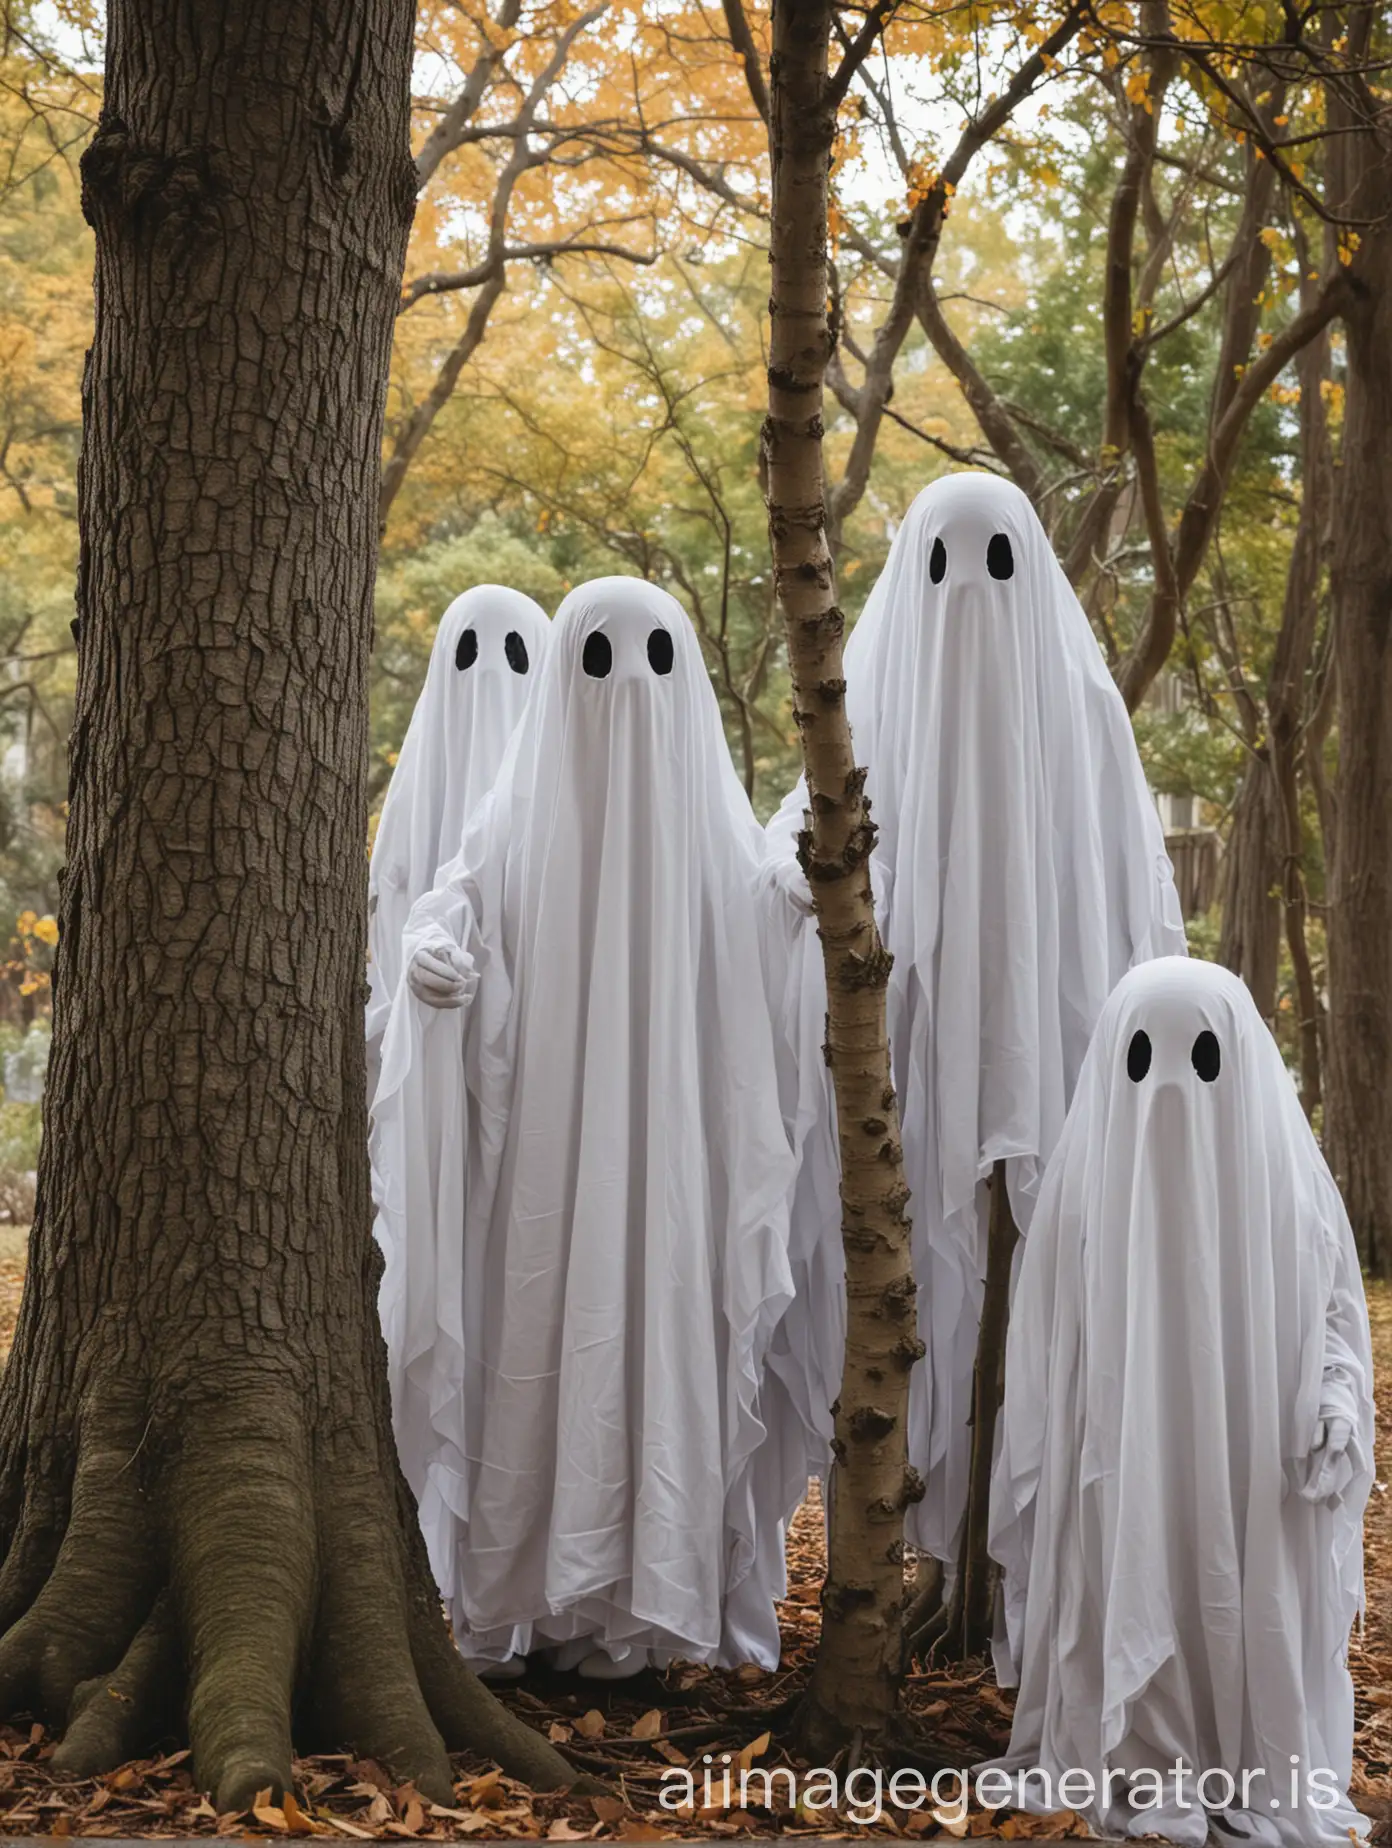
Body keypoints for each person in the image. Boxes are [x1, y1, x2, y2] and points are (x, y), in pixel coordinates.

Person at [763, 471, 1188, 1584]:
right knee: (924, 1295)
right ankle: (935, 1557)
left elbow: (1132, 890)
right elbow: (815, 836)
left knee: (1049, 1288)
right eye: (944, 563)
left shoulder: (1084, 715)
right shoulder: (877, 706)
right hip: (908, 1060)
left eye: (997, 562)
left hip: (1063, 1051)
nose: (970, 591)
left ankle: (1029, 1566)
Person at [370, 576, 797, 1679]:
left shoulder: (720, 844)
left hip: (676, 1174)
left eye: (654, 662)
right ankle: (523, 1601)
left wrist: (797, 900)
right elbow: (448, 908)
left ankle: (646, 1607)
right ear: (563, 679)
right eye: (597, 663)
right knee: (538, 1348)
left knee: (661, 1338)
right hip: (544, 1178)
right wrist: (435, 963)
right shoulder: (507, 833)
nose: (626, 689)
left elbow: (769, 928)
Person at [988, 956, 1374, 1847]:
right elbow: (1046, 1354)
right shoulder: (1084, 1202)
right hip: (1121, 1467)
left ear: (1237, 1062)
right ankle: (1137, 1744)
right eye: (1141, 1059)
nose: (1168, 1088)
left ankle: (1243, 1750)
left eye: (1200, 1060)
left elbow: (1334, 1317)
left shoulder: (1285, 1192)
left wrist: (1336, 1400)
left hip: (1253, 1460)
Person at [366, 584, 549, 1072]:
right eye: (468, 653)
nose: (489, 672)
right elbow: (391, 894)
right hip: (430, 1033)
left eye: (516, 655)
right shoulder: (416, 794)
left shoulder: (568, 795)